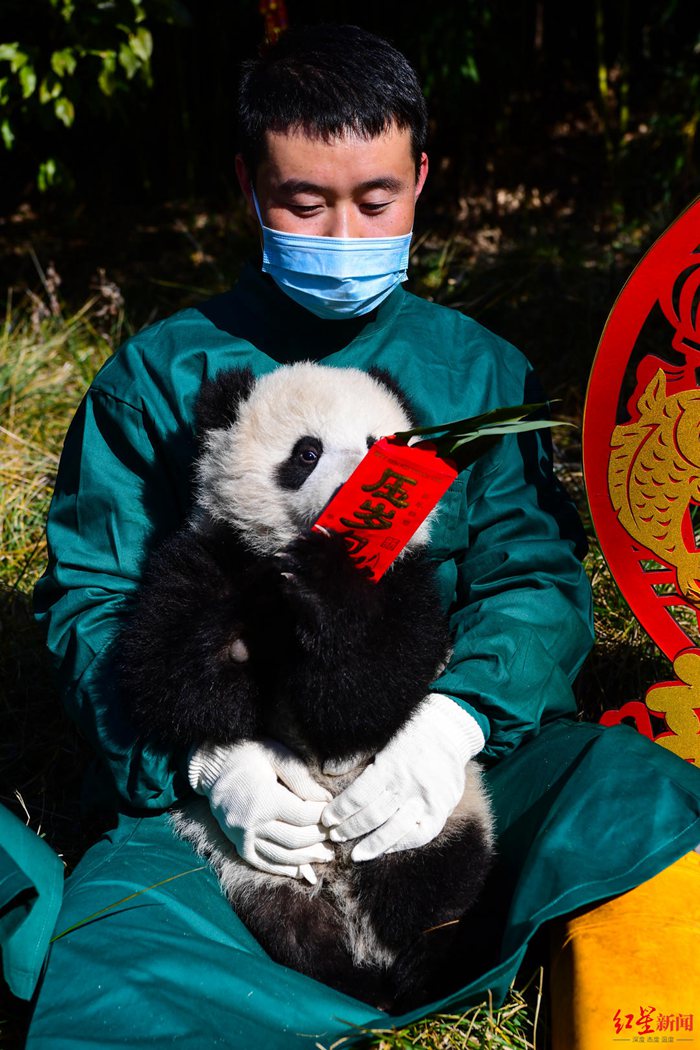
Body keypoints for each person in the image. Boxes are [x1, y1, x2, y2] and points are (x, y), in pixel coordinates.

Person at [27, 24, 700, 1049]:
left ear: (423, 177)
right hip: (225, 805)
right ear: (247, 186)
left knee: (640, 804)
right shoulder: (156, 377)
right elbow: (91, 601)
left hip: (446, 770)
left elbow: (532, 577)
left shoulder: (478, 371)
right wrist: (210, 767)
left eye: (376, 199)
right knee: (126, 945)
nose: (344, 233)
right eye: (305, 202)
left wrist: (456, 724)